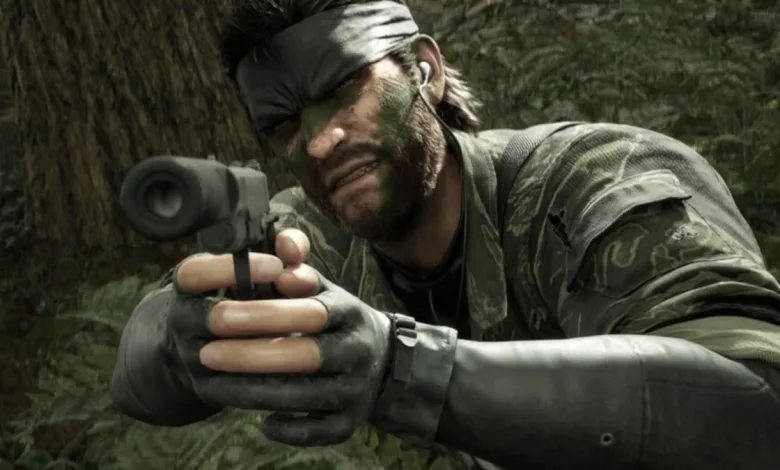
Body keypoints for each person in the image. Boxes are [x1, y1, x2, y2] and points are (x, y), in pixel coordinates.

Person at [110, 1, 780, 469]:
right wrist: (183, 337)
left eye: (344, 88)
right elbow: (135, 378)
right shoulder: (310, 237)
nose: (319, 141)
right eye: (284, 125)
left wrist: (403, 370)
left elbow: (758, 405)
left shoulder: (588, 179)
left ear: (424, 72)